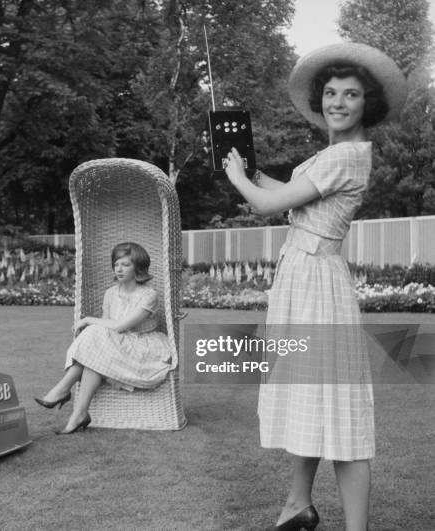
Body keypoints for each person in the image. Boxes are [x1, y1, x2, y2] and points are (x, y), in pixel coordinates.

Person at [223, 43, 407, 531]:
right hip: (304, 278)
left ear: (369, 103)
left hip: (316, 284)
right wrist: (251, 171)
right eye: (330, 93)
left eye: (351, 94)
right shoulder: (334, 155)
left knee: (338, 407)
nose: (338, 102)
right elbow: (289, 198)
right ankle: (297, 504)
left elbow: (267, 206)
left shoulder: (346, 155)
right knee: (311, 395)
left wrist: (239, 178)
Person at [34, 241, 173, 434]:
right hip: (118, 343)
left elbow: (120, 326)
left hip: (143, 347)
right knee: (96, 348)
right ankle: (79, 414)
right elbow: (107, 329)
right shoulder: (110, 294)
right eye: (116, 264)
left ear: (138, 267)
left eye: (125, 264)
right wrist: (93, 323)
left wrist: (88, 320)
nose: (119, 269)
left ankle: (62, 390)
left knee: (94, 336)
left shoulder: (149, 295)